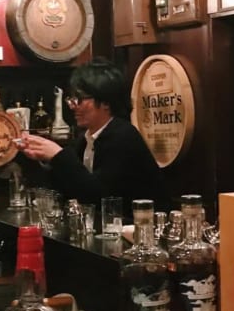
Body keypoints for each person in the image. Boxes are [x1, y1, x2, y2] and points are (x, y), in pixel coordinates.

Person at [18, 57, 169, 216]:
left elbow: (98, 196)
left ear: (105, 102)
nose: (72, 106)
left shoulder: (123, 137)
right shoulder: (86, 139)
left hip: (140, 227)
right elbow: (66, 189)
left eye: (79, 99)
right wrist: (36, 157)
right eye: (71, 99)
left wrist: (58, 155)